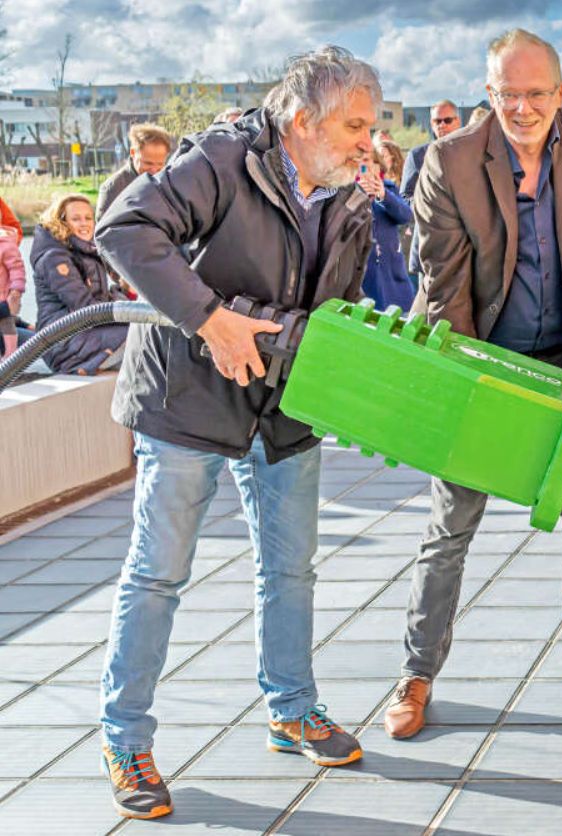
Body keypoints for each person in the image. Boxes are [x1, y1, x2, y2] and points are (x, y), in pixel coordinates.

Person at [93, 46, 381, 820]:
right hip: (188, 399)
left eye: (371, 126)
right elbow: (124, 229)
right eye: (355, 125)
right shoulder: (221, 160)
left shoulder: (350, 193)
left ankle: (292, 707)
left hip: (283, 406)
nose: (367, 141)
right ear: (300, 121)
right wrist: (210, 318)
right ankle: (125, 739)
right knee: (159, 573)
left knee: (291, 569)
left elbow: (343, 305)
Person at [386, 28, 562, 741]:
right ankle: (415, 673)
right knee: (449, 529)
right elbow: (440, 285)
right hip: (483, 362)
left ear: (560, 94)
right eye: (507, 94)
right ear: (488, 92)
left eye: (536, 94)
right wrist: (479, 391)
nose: (522, 108)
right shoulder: (448, 159)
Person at [30, 194, 128, 374]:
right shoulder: (54, 258)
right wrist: (131, 313)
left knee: (154, 335)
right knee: (145, 334)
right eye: (75, 219)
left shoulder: (87, 251)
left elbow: (101, 298)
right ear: (61, 222)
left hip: (88, 334)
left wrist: (124, 293)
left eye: (88, 218)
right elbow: (85, 307)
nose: (84, 223)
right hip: (64, 343)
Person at [401, 100, 464, 282]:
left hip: (465, 248)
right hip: (430, 247)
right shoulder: (418, 156)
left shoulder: (472, 154)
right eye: (437, 121)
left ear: (458, 121)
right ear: (431, 124)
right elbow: (405, 197)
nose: (442, 125)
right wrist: (430, 207)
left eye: (447, 120)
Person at [360, 144, 416, 310]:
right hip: (364, 278)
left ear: (377, 165)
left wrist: (383, 195)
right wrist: (359, 194)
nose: (363, 167)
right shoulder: (345, 192)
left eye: (366, 161)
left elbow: (406, 216)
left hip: (392, 275)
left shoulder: (389, 188)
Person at [96, 124, 173, 219]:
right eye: (148, 163)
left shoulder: (169, 183)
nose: (154, 170)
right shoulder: (113, 189)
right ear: (133, 153)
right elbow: (104, 230)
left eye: (160, 164)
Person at [0, 223, 28, 359]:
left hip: (3, 297)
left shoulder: (6, 245)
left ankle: (11, 353)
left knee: (6, 323)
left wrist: (16, 289)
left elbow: (17, 269)